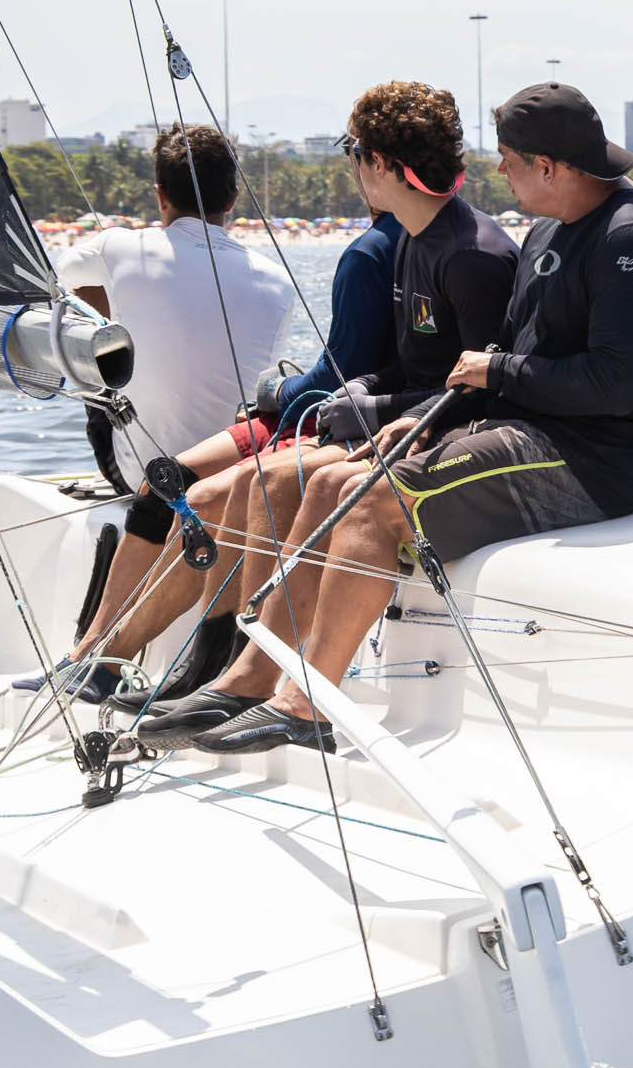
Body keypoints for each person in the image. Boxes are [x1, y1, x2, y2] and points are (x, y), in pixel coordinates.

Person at [186, 80, 633, 754]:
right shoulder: (549, 228)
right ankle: (252, 678)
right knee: (333, 482)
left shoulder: (632, 240)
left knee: (375, 504)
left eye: (509, 159)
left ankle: (306, 706)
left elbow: (615, 385)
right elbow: (502, 357)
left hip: (589, 460)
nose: (498, 171)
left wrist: (496, 374)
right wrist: (429, 414)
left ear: (548, 167)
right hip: (525, 429)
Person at [123, 80, 518, 747]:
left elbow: (481, 392)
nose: (351, 164)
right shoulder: (416, 241)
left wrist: (375, 403)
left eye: (353, 151)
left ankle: (256, 677)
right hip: (408, 420)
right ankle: (246, 670)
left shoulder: (471, 255)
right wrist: (360, 390)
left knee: (283, 476)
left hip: (448, 432)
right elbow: (413, 365)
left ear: (381, 163)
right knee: (263, 480)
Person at [53, 197, 402, 711]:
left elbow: (337, 372)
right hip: (317, 409)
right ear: (232, 200)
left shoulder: (368, 253)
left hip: (331, 413)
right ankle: (96, 651)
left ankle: (193, 661)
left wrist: (274, 391)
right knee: (165, 480)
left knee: (215, 497)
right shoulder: (346, 257)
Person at [15, 122, 296, 702]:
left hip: (144, 466)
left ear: (161, 196)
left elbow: (57, 282)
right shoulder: (276, 280)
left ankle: (91, 655)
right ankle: (104, 656)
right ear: (233, 198)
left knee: (96, 336)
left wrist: (124, 315)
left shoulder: (117, 247)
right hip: (229, 463)